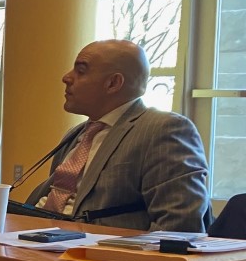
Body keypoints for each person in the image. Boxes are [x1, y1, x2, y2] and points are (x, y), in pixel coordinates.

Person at [19, 39, 209, 232]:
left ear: (113, 83)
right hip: (36, 239)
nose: (66, 78)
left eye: (81, 71)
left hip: (94, 253)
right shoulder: (77, 134)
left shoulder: (164, 129)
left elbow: (179, 226)